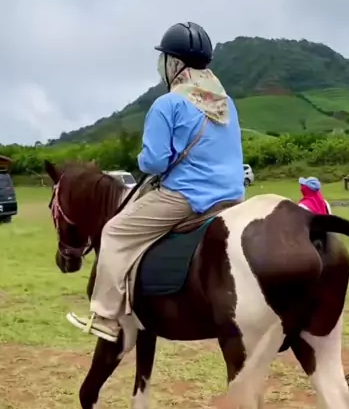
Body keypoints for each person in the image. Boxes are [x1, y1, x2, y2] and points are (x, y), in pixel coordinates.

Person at [67, 22, 245, 343]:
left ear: (174, 64)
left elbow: (154, 162)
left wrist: (142, 158)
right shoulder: (226, 103)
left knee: (115, 231)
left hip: (188, 197)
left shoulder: (168, 103)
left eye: (163, 59)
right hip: (232, 196)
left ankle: (106, 316)